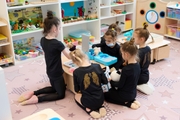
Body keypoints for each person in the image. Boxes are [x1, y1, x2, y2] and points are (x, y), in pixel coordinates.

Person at [18, 11, 71, 105]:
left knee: (55, 88)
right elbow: (69, 57)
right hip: (57, 73)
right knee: (60, 94)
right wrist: (72, 48)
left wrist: (63, 47)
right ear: (54, 29)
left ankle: (34, 93)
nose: (59, 31)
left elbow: (50, 52)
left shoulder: (43, 40)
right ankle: (38, 99)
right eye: (59, 28)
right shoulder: (57, 44)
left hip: (49, 71)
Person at [68, 43, 108, 119]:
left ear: (75, 62)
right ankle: (101, 107)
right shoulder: (97, 66)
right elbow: (105, 81)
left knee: (76, 96)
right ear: (85, 56)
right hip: (100, 99)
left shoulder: (76, 72)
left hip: (88, 102)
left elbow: (77, 90)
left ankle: (88, 110)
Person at [104, 39, 141, 110]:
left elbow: (120, 85)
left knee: (106, 95)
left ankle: (126, 103)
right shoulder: (137, 65)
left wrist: (110, 81)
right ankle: (132, 100)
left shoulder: (126, 69)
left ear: (126, 54)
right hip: (133, 93)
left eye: (122, 53)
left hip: (125, 95)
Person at [133, 23, 155, 95]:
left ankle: (137, 85)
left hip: (140, 78)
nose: (133, 39)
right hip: (146, 75)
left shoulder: (139, 52)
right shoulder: (148, 48)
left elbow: (135, 67)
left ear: (141, 39)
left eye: (134, 38)